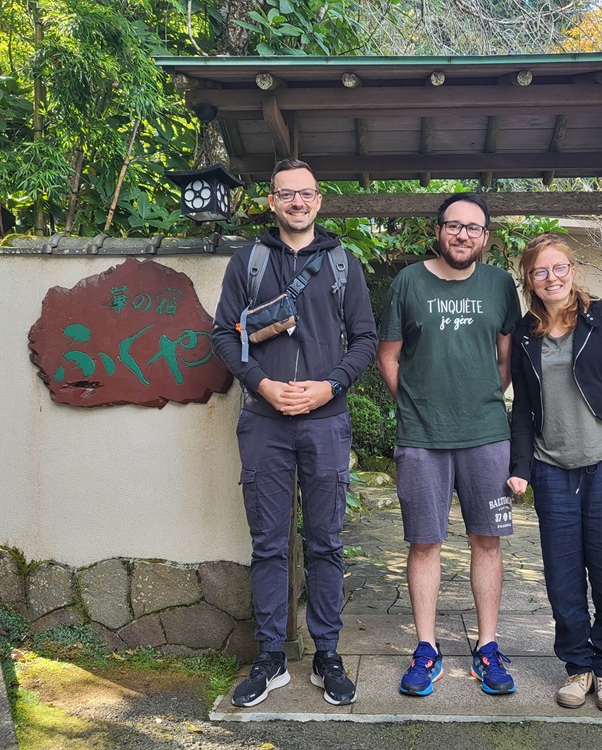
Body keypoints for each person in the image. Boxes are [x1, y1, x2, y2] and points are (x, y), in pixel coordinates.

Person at [212, 159, 377, 708]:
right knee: (268, 544)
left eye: (305, 194)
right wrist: (262, 384)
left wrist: (330, 386)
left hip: (327, 422)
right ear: (272, 202)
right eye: (287, 195)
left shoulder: (342, 264)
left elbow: (365, 340)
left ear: (319, 201)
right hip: (265, 423)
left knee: (326, 541)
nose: (297, 203)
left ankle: (327, 652)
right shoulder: (249, 261)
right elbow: (222, 334)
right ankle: (270, 656)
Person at [377, 193, 520, 697]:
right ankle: (426, 649)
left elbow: (506, 361)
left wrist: (477, 401)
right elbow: (388, 356)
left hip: (486, 436)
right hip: (421, 438)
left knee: (488, 539)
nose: (463, 235)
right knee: (425, 542)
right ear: (438, 231)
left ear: (485, 237)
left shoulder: (501, 284)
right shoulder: (409, 282)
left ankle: (487, 647)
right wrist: (418, 406)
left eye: (473, 228)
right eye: (454, 225)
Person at [506, 234, 602, 713]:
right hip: (552, 469)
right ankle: (577, 666)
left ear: (572, 269)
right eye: (540, 271)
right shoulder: (525, 332)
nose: (552, 278)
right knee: (563, 577)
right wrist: (521, 467)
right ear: (529, 280)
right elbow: (523, 406)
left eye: (559, 267)